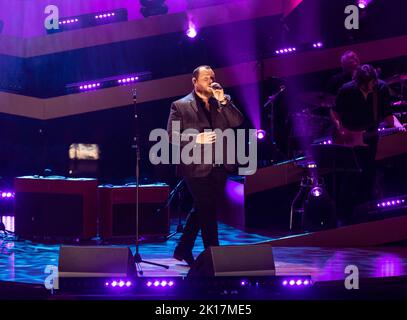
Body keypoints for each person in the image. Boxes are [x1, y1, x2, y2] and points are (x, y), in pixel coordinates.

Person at [167, 65, 244, 266]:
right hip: (194, 166)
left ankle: (182, 249)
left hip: (220, 165)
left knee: (203, 208)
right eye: (206, 78)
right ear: (195, 82)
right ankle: (214, 257)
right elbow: (172, 136)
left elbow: (237, 121)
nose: (210, 81)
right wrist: (196, 138)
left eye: (212, 77)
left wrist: (223, 101)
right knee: (208, 210)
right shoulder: (180, 105)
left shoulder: (222, 102)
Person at [331, 64, 405, 224]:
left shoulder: (382, 89)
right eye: (366, 85)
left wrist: (398, 126)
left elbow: (387, 114)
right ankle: (344, 216)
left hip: (370, 136)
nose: (370, 87)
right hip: (348, 139)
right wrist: (341, 129)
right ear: (357, 82)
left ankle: (364, 214)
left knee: (368, 174)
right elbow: (334, 112)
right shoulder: (346, 90)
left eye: (372, 83)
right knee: (349, 177)